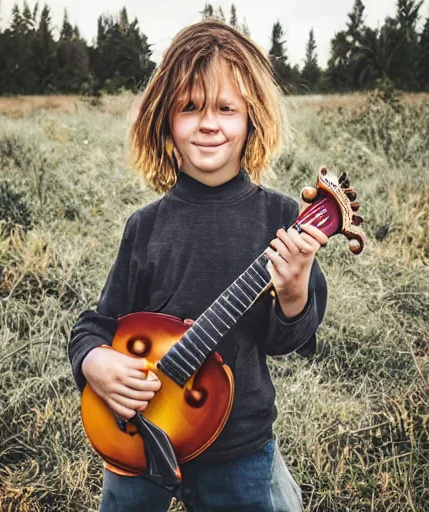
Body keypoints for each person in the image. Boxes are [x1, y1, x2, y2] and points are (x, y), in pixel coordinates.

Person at [69, 18, 328, 512]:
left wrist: (294, 293)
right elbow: (96, 324)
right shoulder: (145, 226)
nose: (209, 124)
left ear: (252, 118)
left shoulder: (282, 220)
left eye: (226, 109)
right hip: (139, 436)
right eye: (190, 108)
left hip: (240, 449)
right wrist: (94, 363)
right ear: (164, 119)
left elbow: (287, 342)